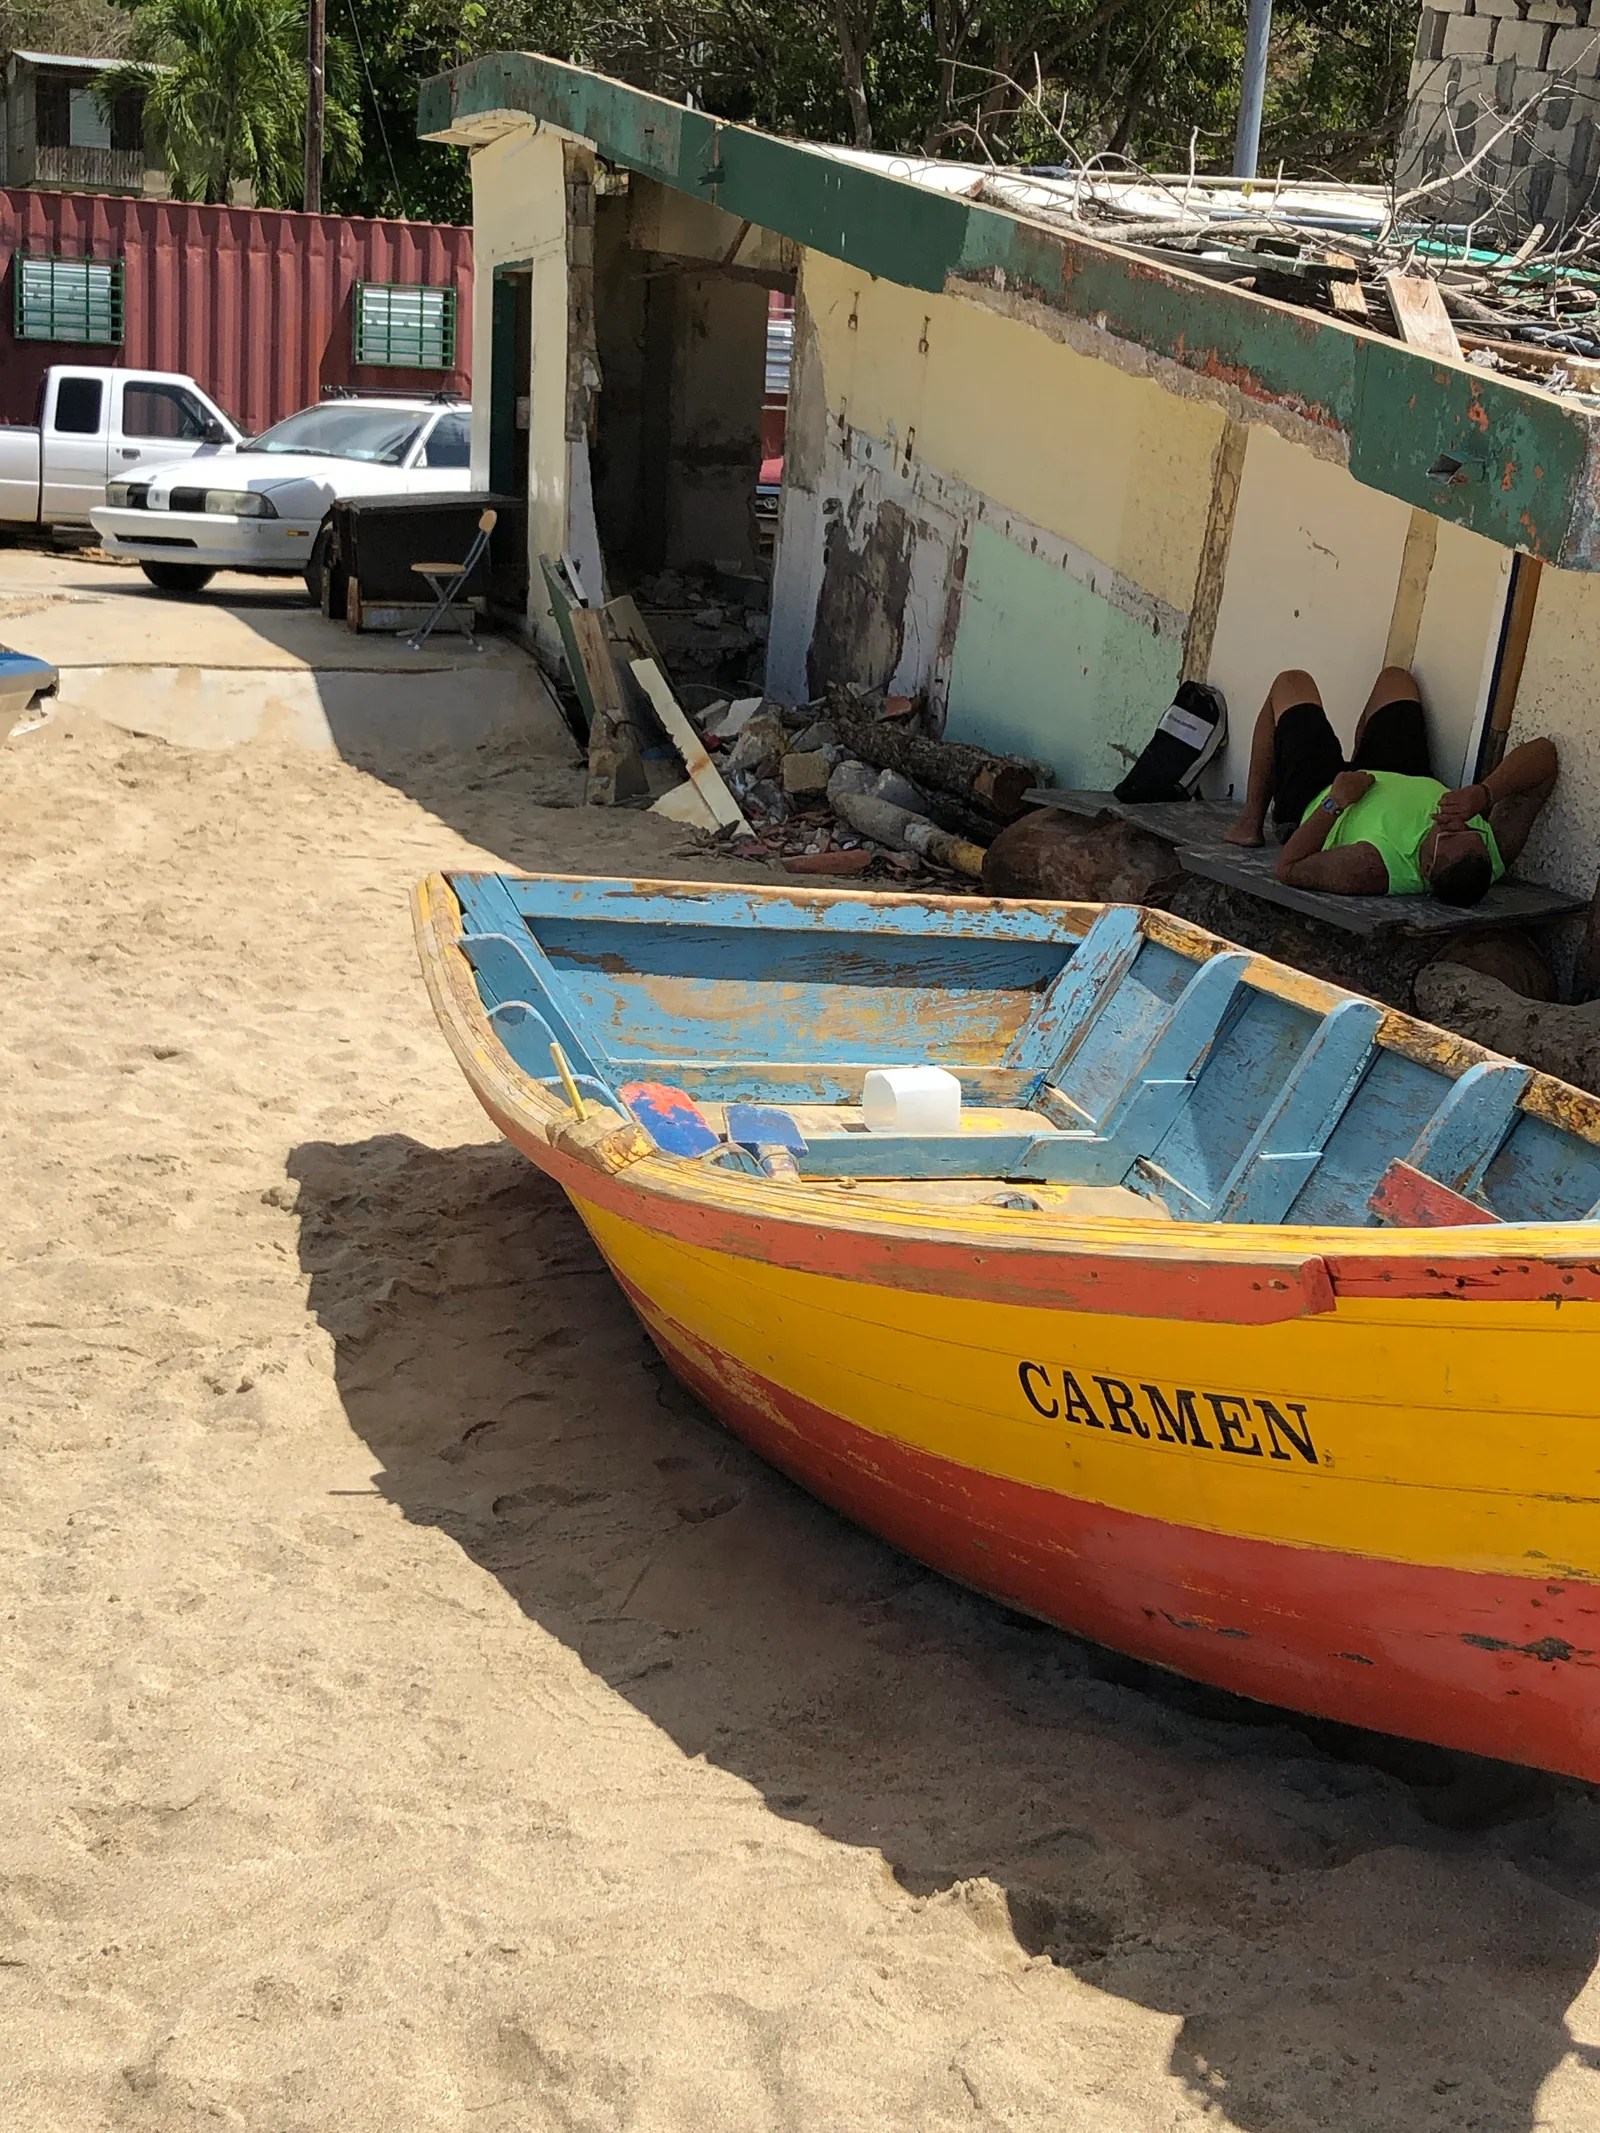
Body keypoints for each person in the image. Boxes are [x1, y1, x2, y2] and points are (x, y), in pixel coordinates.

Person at [1223, 665, 1559, 905]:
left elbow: (1288, 867)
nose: (1454, 821)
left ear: (1426, 869)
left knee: (1291, 683)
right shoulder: (1492, 851)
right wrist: (1485, 792)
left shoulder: (1373, 868)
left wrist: (1335, 802)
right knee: (1396, 680)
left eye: (1446, 834)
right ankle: (1359, 756)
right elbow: (1544, 755)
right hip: (1396, 774)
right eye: (1469, 829)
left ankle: (1249, 824)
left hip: (1321, 798)